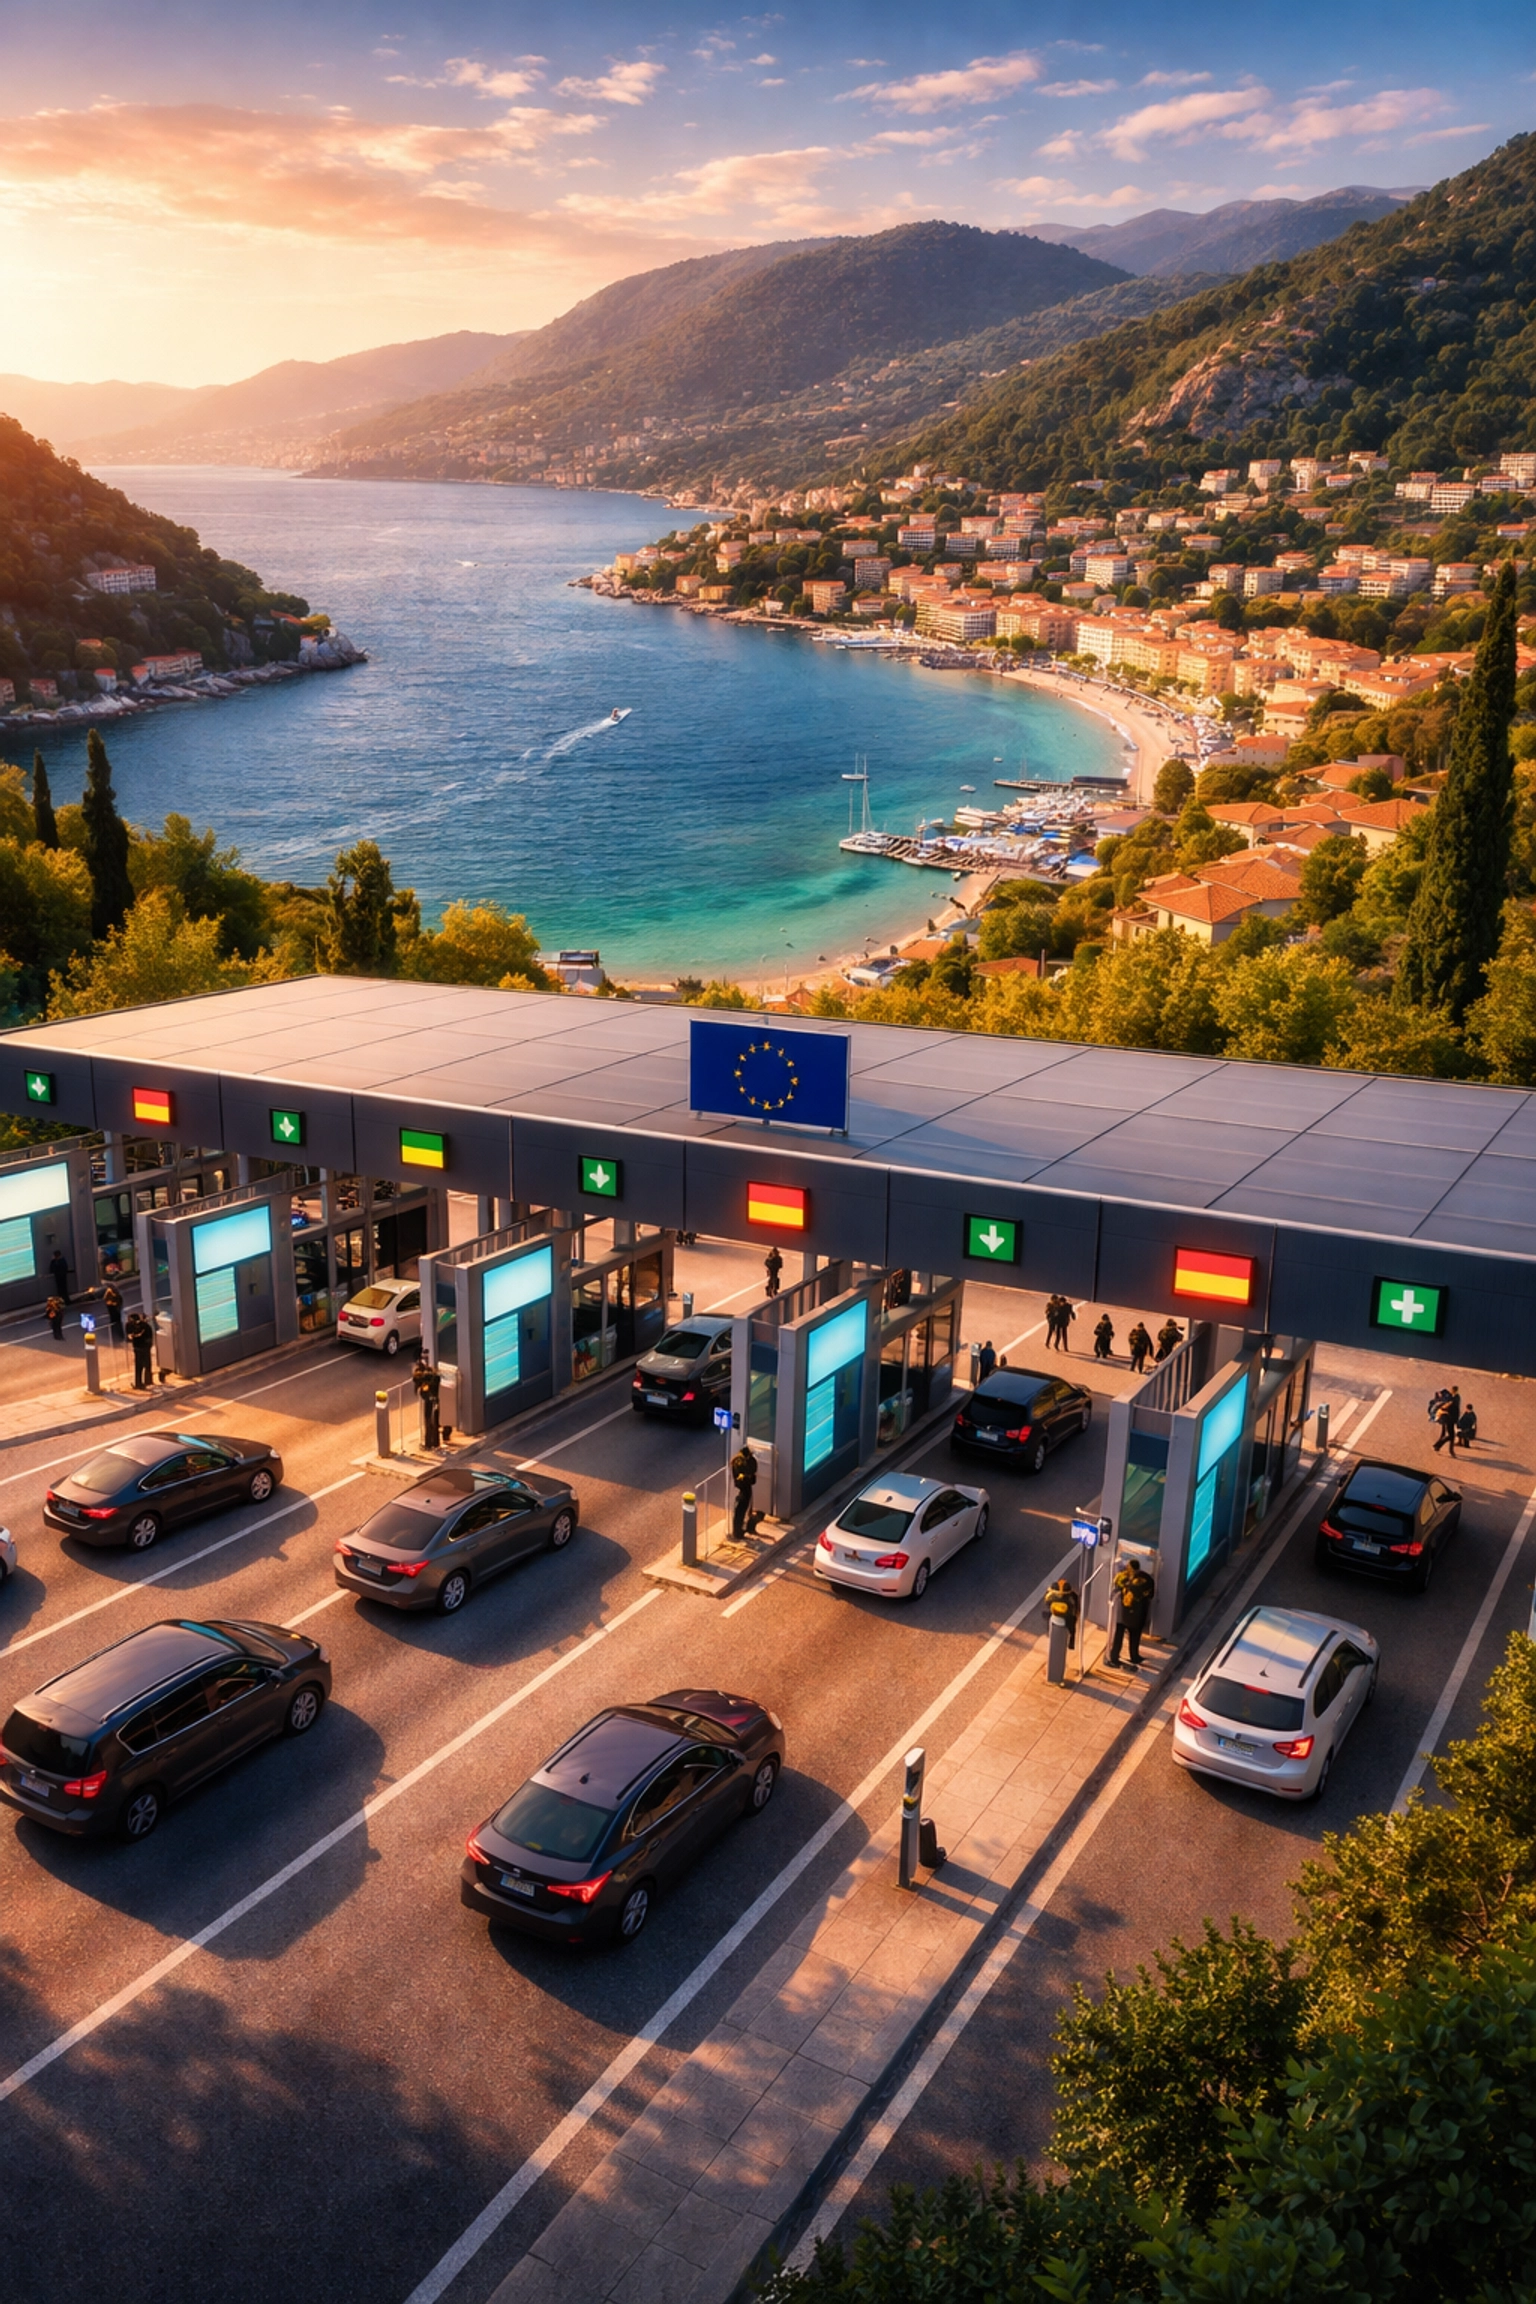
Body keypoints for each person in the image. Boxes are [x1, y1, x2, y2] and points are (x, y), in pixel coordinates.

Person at [1108, 1558, 1156, 1669]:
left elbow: (1116, 1585)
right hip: (1139, 1614)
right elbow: (1151, 1595)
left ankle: (1114, 1657)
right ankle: (1134, 1656)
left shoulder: (1123, 1578)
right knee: (1135, 1635)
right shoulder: (1147, 1579)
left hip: (1123, 1613)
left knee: (1118, 1635)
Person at [1041, 1574, 1079, 1649]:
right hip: (1067, 1615)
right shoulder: (1072, 1595)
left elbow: (1046, 1602)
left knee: (1048, 1616)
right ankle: (1071, 1643)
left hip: (1054, 1612)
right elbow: (1076, 1605)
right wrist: (1076, 1614)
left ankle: (1049, 1632)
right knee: (1072, 1627)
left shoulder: (1051, 1592)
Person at [413, 1354, 442, 1450]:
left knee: (429, 1419)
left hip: (431, 1398)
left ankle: (429, 1444)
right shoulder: (430, 1372)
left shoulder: (427, 1375)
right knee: (434, 1420)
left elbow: (418, 1380)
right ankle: (434, 1443)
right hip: (435, 1397)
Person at [730, 1442, 758, 1539]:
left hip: (745, 1487)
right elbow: (749, 1474)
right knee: (740, 1510)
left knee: (743, 1509)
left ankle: (741, 1529)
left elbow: (752, 1473)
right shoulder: (739, 1462)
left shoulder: (744, 1460)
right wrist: (748, 1477)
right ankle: (738, 1532)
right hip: (743, 1488)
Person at [125, 1309, 154, 1389]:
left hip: (139, 1347)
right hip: (142, 1347)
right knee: (146, 1364)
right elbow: (149, 1337)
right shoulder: (145, 1326)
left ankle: (140, 1383)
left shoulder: (132, 1325)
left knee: (140, 1366)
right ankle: (146, 1381)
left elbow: (129, 1336)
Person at [1432, 1390, 1459, 1456]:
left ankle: (1442, 1447)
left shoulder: (1449, 1404)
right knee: (1451, 1436)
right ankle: (1438, 1445)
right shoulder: (1452, 1406)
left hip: (1448, 1421)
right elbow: (1453, 1414)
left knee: (1451, 1436)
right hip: (1449, 1421)